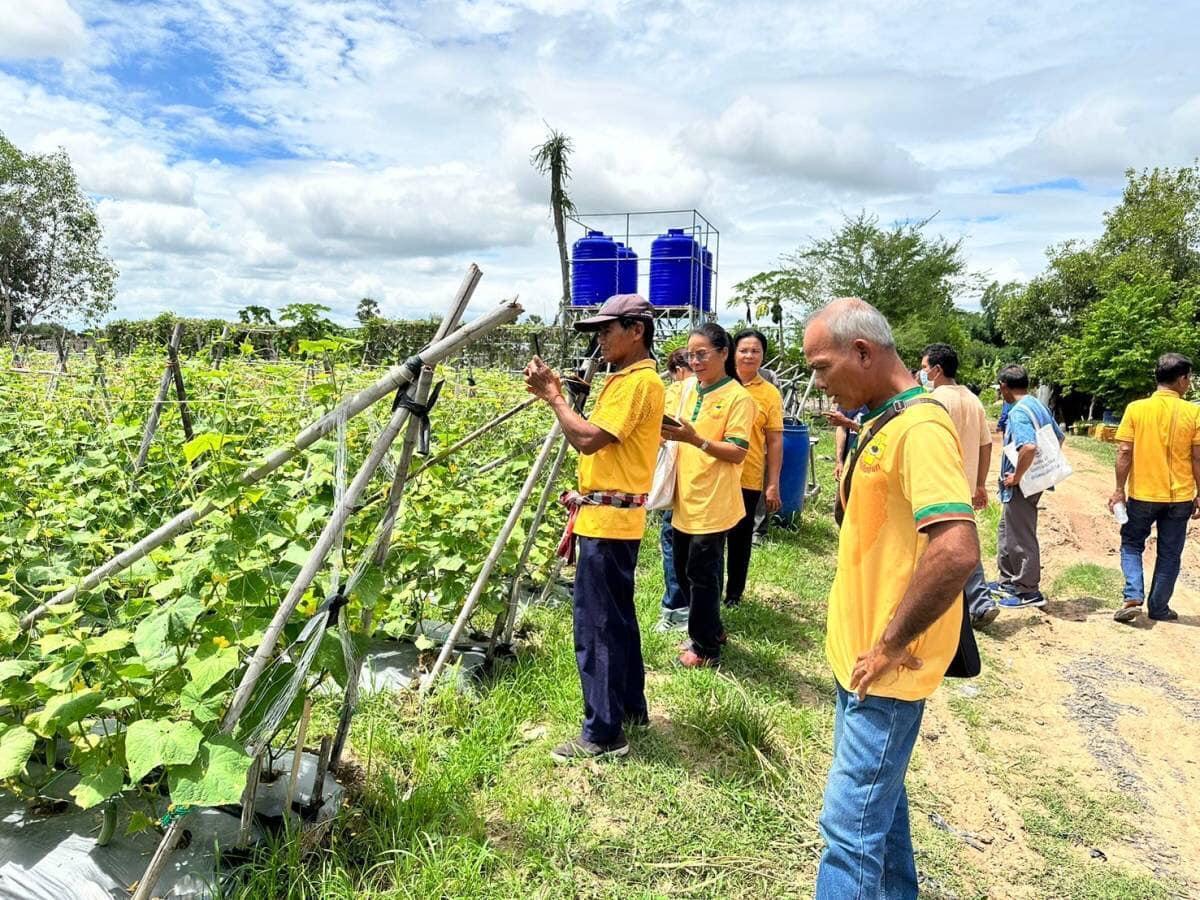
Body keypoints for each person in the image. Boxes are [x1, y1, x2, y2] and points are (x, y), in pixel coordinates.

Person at [804, 298, 978, 900]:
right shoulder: (884, 419)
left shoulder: (921, 428)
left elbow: (955, 550)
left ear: (862, 352)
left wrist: (887, 644)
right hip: (860, 658)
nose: (818, 381)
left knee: (847, 832)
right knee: (881, 810)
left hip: (884, 668)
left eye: (822, 367)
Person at [523, 294, 665, 761]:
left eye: (607, 330)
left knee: (596, 626)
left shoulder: (634, 383)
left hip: (607, 521)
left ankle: (603, 734)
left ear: (636, 330)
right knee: (619, 619)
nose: (600, 339)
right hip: (616, 517)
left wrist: (555, 398)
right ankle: (629, 708)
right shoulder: (630, 380)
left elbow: (586, 440)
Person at [661, 323, 755, 667]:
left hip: (714, 500)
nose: (695, 361)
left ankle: (704, 649)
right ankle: (712, 629)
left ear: (723, 353)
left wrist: (695, 439)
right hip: (684, 495)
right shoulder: (685, 389)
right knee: (685, 571)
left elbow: (737, 451)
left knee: (701, 575)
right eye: (691, 355)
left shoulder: (738, 398)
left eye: (702, 354)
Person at [1110, 353, 1200, 623]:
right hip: (1180, 496)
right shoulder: (1194, 412)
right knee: (1170, 553)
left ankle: (1133, 596)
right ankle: (1159, 608)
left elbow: (1125, 451)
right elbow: (1197, 457)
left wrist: (1118, 490)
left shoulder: (1136, 409)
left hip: (1143, 494)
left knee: (1131, 543)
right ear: (1182, 379)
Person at [919, 343, 998, 628]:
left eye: (925, 367)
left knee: (945, 546)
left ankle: (972, 603)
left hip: (938, 484)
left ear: (937, 370)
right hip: (963, 485)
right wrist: (980, 484)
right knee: (960, 541)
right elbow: (986, 445)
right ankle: (978, 602)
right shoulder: (973, 400)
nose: (922, 373)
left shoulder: (933, 401)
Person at [993, 365, 1064, 609]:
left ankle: (1028, 590)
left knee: (1020, 534)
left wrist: (1018, 476)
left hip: (1022, 484)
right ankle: (1008, 580)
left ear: (1004, 386)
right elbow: (1059, 437)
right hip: (1033, 481)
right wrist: (1042, 470)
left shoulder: (1018, 412)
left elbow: (1029, 447)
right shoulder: (1036, 404)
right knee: (1007, 529)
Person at [723, 329, 784, 607]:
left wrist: (772, 483)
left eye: (755, 351)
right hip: (716, 474)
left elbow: (774, 440)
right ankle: (705, 591)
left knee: (739, 539)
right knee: (707, 539)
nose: (749, 355)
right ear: (732, 352)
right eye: (743, 349)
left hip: (747, 476)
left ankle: (733, 594)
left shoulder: (769, 393)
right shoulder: (720, 383)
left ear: (762, 356)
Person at [654, 348, 693, 632]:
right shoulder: (719, 391)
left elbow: (658, 433)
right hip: (704, 486)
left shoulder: (675, 391)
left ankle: (676, 608)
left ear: (678, 370)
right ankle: (700, 606)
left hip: (678, 479)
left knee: (672, 541)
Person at [827, 405, 866, 481]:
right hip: (848, 459)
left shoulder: (879, 401)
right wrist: (839, 461)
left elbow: (876, 432)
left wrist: (847, 422)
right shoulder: (846, 399)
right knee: (843, 488)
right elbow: (841, 428)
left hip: (870, 461)